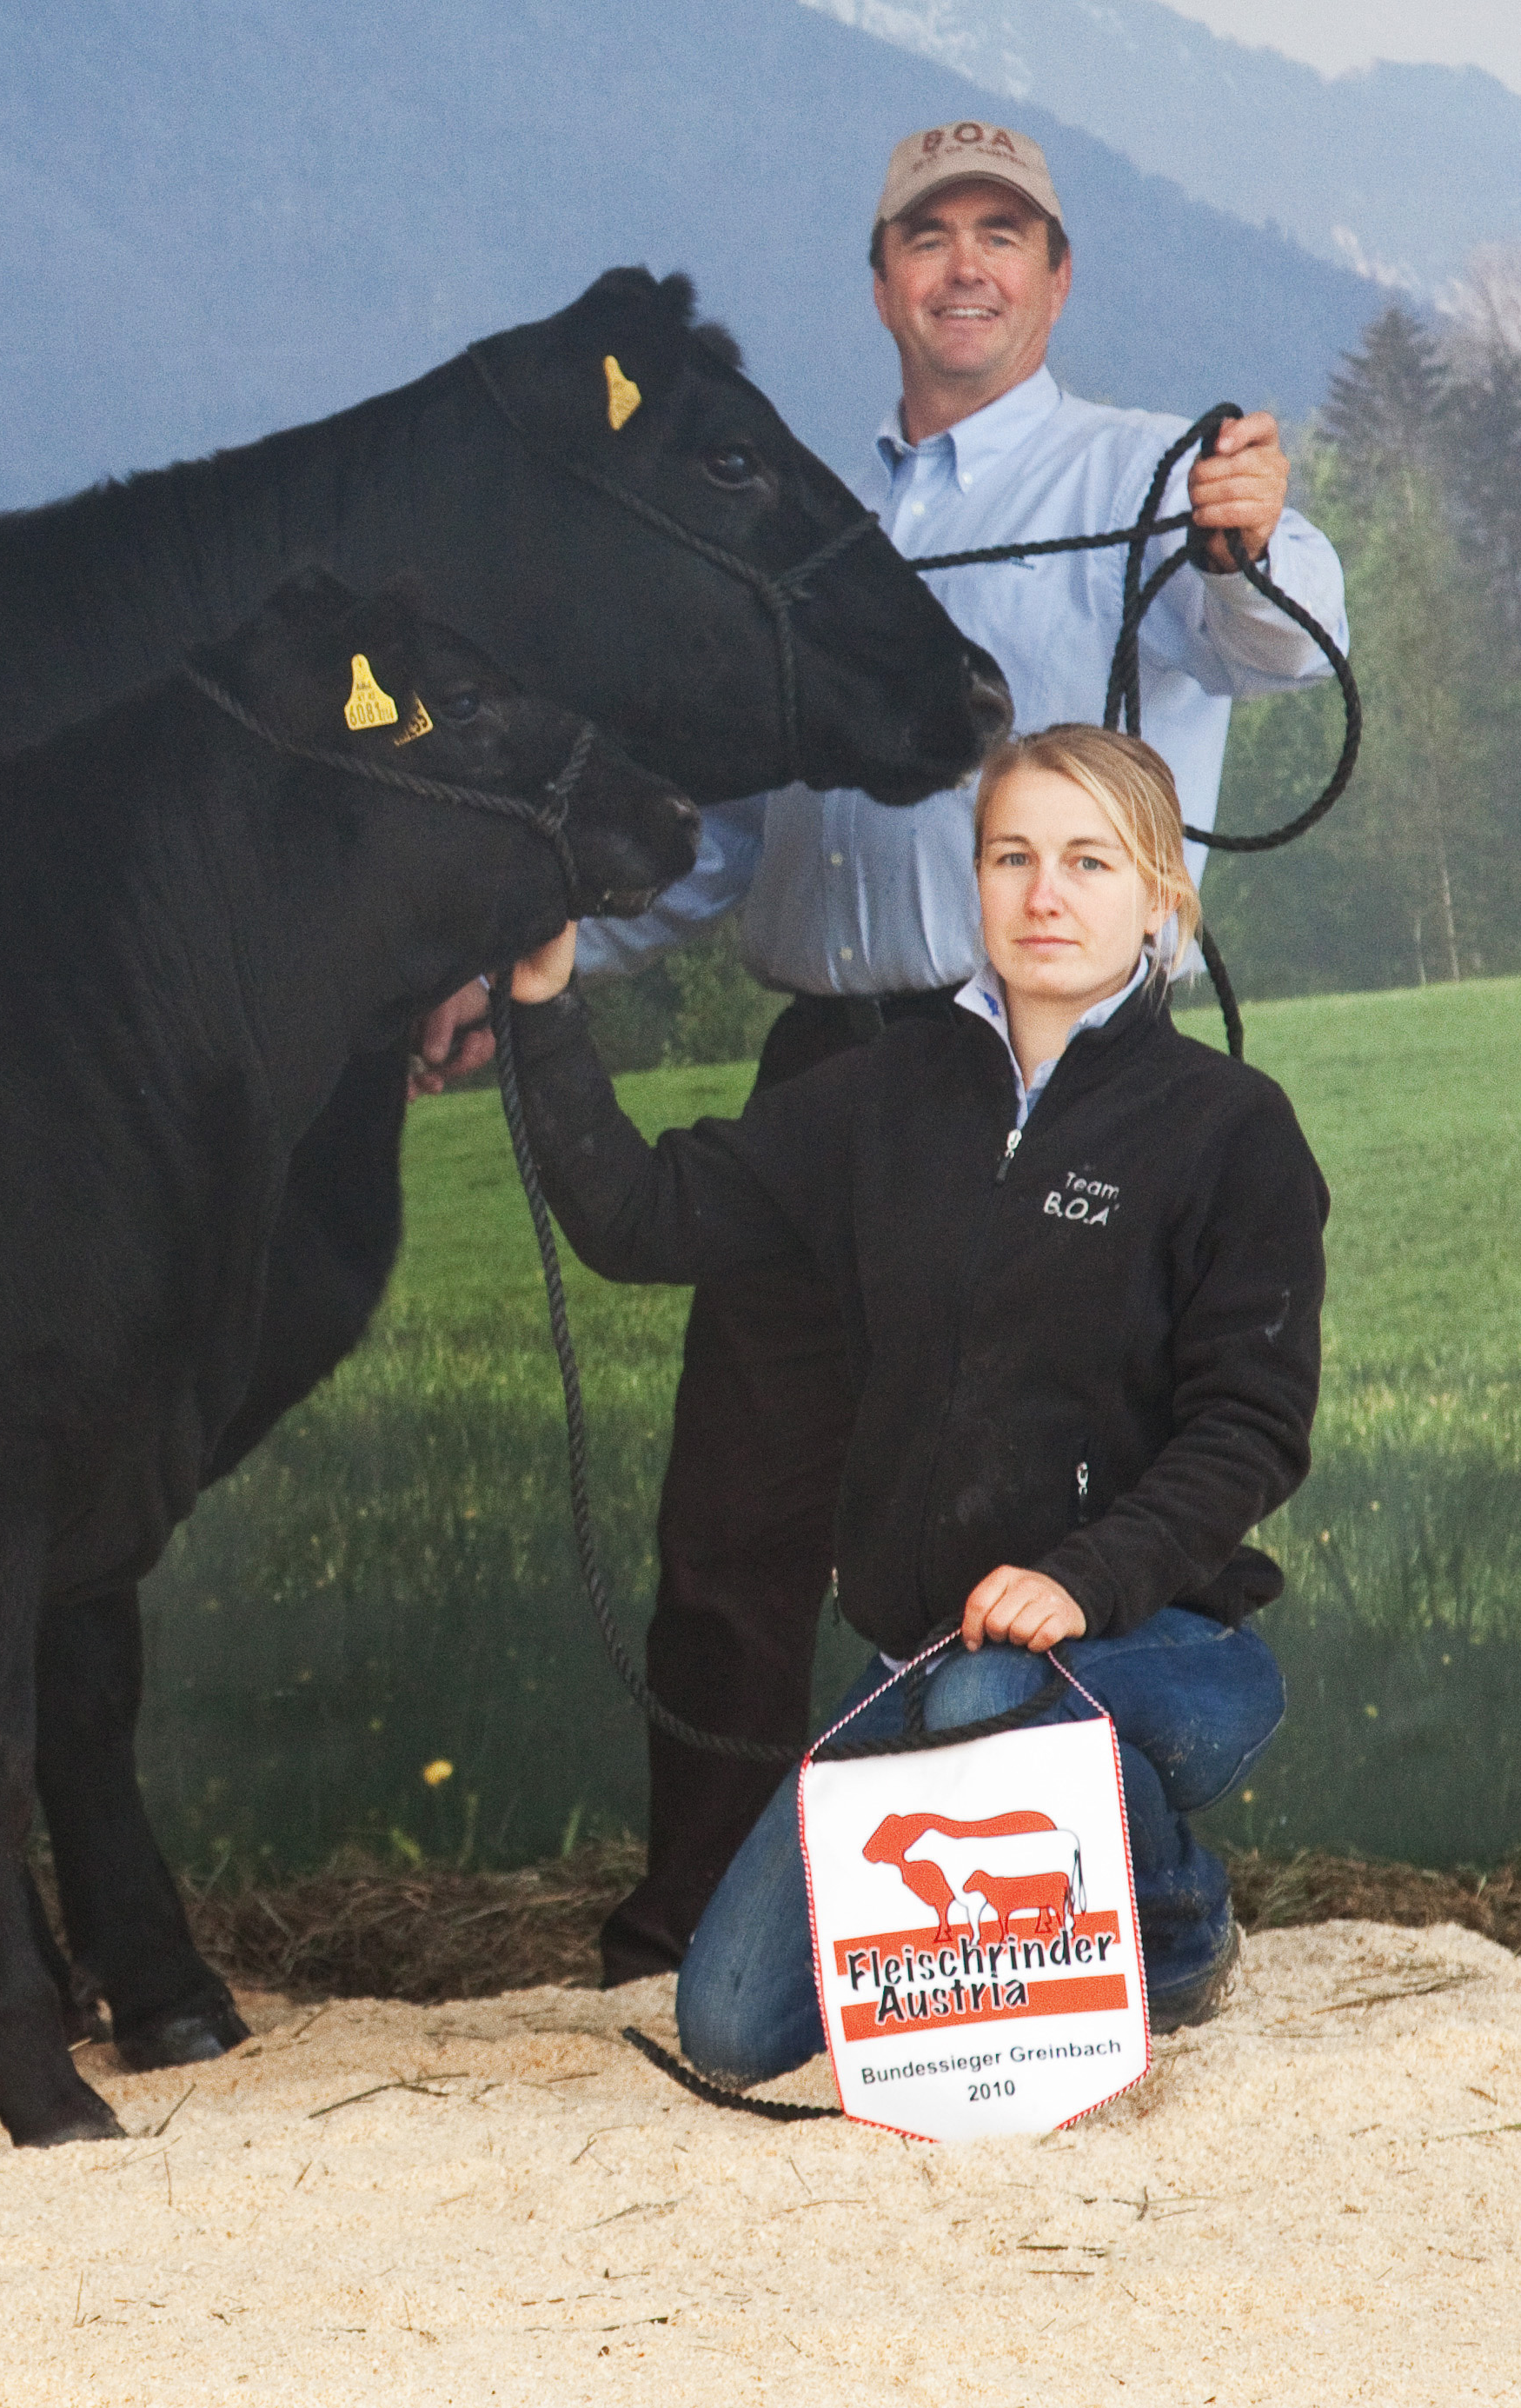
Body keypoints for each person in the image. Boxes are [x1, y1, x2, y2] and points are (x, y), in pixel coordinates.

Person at [402, 116, 1352, 1982]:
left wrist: (1248, 532)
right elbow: (731, 838)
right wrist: (524, 964)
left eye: (1004, 234)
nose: (965, 265)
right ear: (880, 279)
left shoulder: (1148, 476)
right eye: (930, 236)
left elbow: (1278, 640)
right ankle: (698, 1912)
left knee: (1040, 1517)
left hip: (1075, 1078)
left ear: (1055, 277)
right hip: (839, 1078)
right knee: (733, 1519)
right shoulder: (807, 508)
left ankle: (1093, 1899)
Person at [496, 723, 1321, 2067]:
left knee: (993, 1692)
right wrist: (542, 1006)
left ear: (1161, 895)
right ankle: (1030, 1890)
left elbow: (1253, 1427)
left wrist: (1082, 1577)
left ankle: (1178, 1924)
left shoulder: (1230, 1127)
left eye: (1089, 861)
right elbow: (640, 1215)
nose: (1045, 894)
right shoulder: (878, 1098)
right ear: (975, 879)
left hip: (1159, 1647)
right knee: (728, 2021)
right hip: (924, 1664)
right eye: (1011, 857)